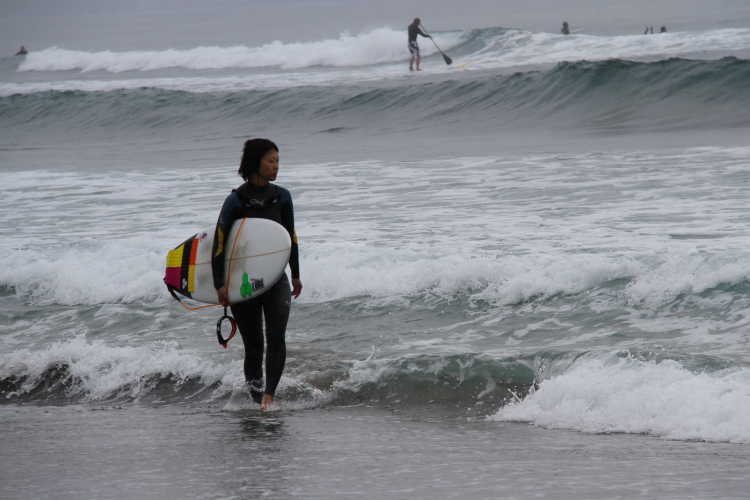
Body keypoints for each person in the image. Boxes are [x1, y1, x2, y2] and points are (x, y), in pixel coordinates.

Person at [212, 138, 302, 410]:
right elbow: (218, 244)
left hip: (276, 279)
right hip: (243, 282)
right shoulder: (235, 200)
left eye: (278, 161)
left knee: (276, 338)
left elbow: (291, 237)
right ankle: (255, 400)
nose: (276, 166)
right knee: (254, 345)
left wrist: (295, 274)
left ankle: (268, 399)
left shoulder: (282, 196)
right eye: (271, 161)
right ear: (255, 163)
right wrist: (220, 285)